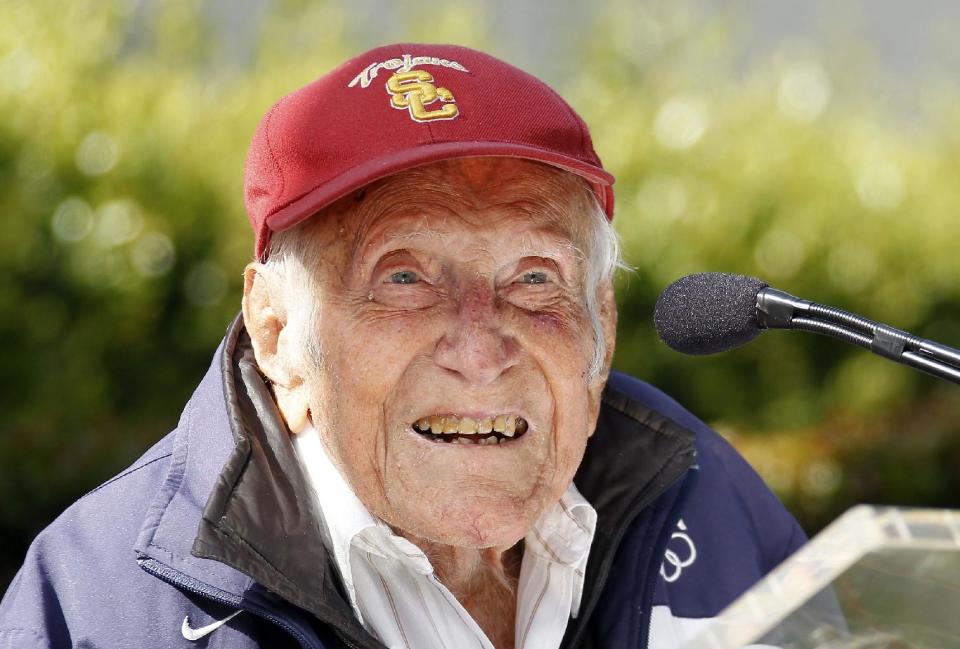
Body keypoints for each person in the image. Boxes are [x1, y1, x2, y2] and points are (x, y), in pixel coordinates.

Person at [0, 43, 805, 649]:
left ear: (600, 325)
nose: (482, 347)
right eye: (405, 277)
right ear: (277, 333)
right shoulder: (99, 597)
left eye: (533, 278)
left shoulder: (707, 499)